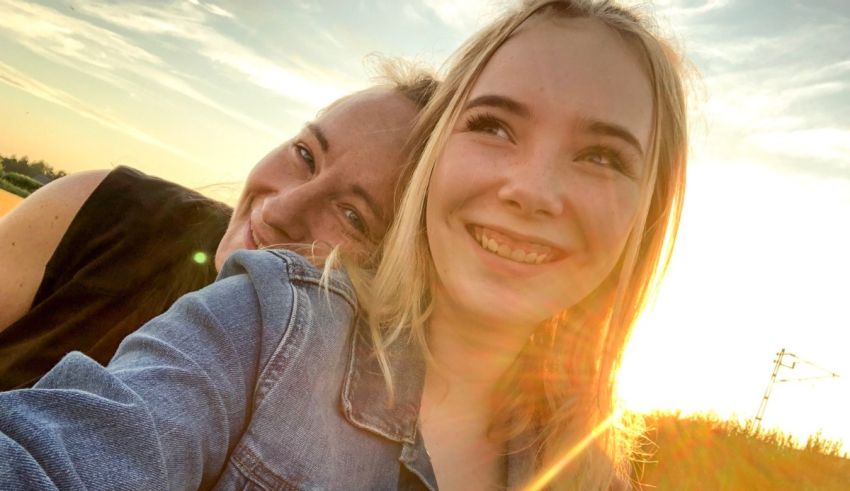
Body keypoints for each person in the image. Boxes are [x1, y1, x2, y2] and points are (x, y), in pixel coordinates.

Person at [0, 1, 688, 489]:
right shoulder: (271, 322)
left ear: (645, 217)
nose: (532, 189)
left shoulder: (593, 471)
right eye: (495, 126)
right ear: (437, 170)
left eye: (602, 157)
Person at [0, 64, 437, 390]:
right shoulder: (100, 212)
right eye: (306, 155)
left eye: (354, 216)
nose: (282, 209)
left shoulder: (329, 436)